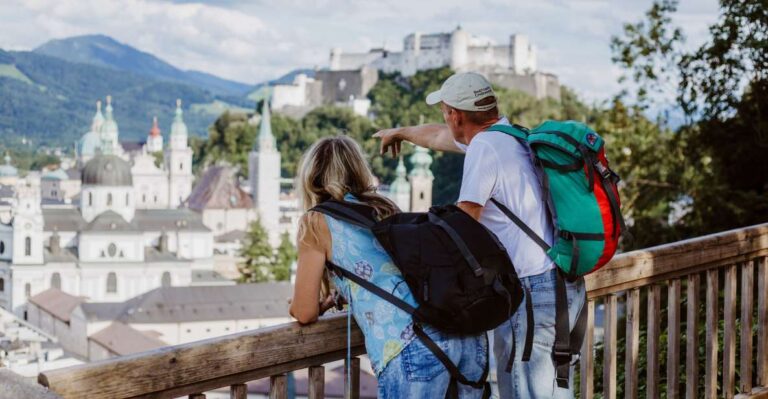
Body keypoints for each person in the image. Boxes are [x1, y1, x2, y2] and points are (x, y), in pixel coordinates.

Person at [374, 72, 586, 398]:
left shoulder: (484, 149)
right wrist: (400, 132)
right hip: (559, 283)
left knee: (524, 392)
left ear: (456, 115)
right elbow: (438, 137)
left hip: (530, 294)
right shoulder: (511, 135)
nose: (444, 121)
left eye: (445, 113)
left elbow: (462, 228)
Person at [289, 135, 489, 398]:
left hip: (410, 342)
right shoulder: (384, 206)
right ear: (358, 168)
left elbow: (303, 312)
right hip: (463, 335)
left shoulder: (316, 222)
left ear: (312, 176)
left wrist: (315, 304)